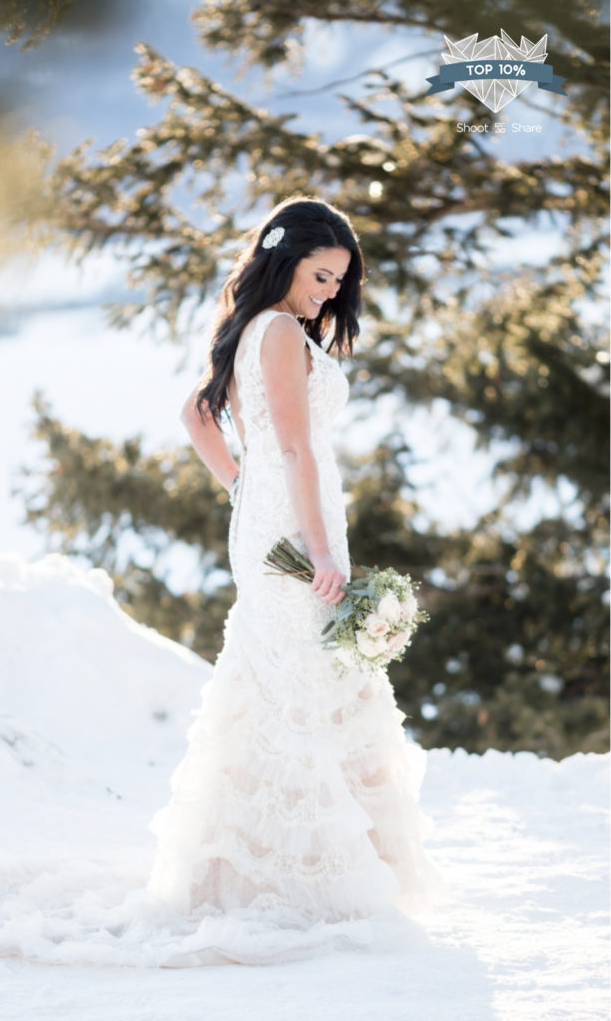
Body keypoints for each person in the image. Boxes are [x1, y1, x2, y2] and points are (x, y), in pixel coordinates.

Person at [144, 195, 447, 966]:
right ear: (285, 260)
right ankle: (298, 879)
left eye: (338, 283)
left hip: (274, 519)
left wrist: (242, 491)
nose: (328, 294)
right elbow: (295, 450)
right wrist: (320, 550)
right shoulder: (278, 330)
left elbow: (195, 414)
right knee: (301, 681)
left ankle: (267, 867)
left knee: (289, 681)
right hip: (293, 528)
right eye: (320, 276)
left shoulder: (258, 328)